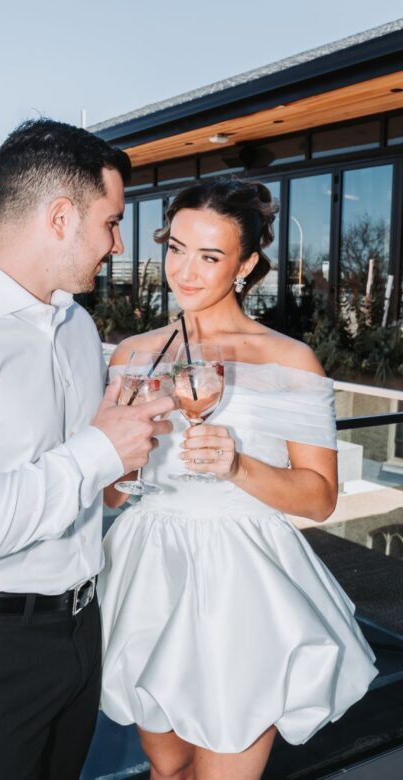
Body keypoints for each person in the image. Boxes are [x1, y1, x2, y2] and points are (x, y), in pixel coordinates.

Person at [99, 178, 378, 780]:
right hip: (150, 572)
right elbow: (111, 491)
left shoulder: (287, 359)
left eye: (210, 256)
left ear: (247, 264)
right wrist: (119, 465)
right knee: (165, 767)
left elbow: (321, 497)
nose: (186, 271)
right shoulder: (133, 355)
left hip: (241, 585)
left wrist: (237, 466)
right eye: (176, 248)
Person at [0, 118, 175, 780]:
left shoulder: (77, 325)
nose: (117, 244)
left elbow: (86, 483)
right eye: (111, 223)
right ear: (61, 218)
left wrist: (121, 459)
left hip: (81, 633)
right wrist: (97, 451)